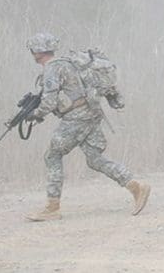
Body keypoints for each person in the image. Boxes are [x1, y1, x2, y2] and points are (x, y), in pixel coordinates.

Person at [24, 32, 150, 221]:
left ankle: (52, 207)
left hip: (77, 118)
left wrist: (34, 114)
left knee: (52, 155)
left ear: (37, 51)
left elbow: (49, 103)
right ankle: (136, 186)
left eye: (33, 50)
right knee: (94, 159)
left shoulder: (51, 68)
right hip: (91, 113)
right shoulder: (67, 63)